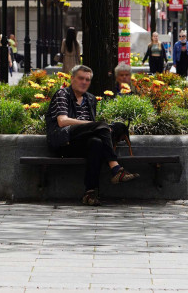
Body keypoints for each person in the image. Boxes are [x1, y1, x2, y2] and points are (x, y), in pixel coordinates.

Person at [46, 65, 138, 206]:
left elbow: (92, 130)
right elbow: (62, 121)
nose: (84, 82)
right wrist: (91, 124)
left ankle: (90, 193)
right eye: (81, 78)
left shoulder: (90, 99)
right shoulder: (62, 94)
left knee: (98, 142)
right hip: (63, 142)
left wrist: (103, 128)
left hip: (82, 143)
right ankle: (115, 168)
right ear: (72, 79)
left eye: (87, 80)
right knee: (100, 126)